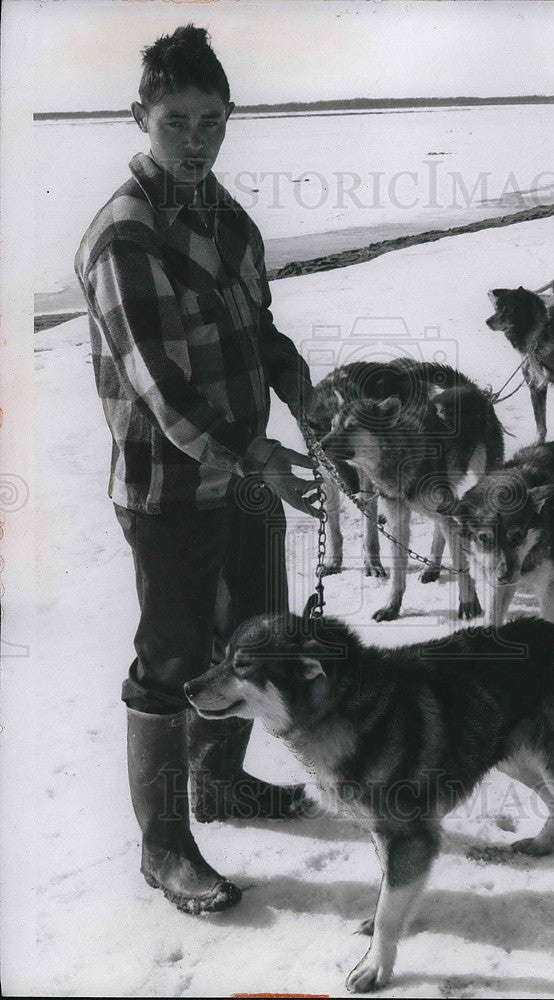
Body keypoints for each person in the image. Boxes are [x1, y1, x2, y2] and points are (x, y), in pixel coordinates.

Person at [75, 24, 319, 915]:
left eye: (211, 119)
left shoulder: (227, 216)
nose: (194, 139)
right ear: (140, 116)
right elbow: (166, 391)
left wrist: (303, 394)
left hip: (246, 477)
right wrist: (262, 454)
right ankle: (165, 846)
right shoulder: (125, 237)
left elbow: (259, 332)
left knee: (250, 637)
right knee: (172, 658)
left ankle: (221, 782)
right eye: (176, 119)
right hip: (169, 487)